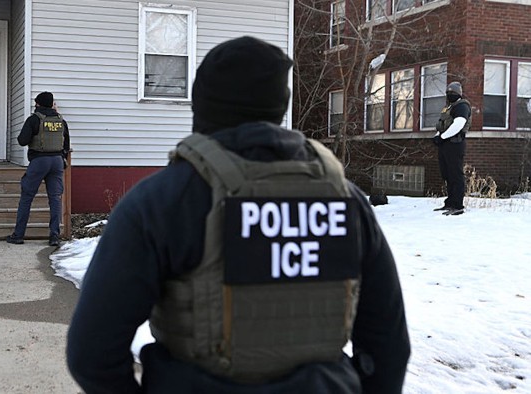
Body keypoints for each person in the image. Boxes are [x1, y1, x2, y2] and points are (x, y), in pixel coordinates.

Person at [66, 36, 410, 393]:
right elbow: (388, 345)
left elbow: (92, 354)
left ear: (202, 105)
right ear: (280, 105)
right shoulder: (345, 199)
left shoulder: (162, 201)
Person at [5, 92, 71, 247]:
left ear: (39, 104)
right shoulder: (61, 121)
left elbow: (22, 141)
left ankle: (18, 235)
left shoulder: (34, 119)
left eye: (36, 103)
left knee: (27, 197)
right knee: (55, 199)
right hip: (57, 162)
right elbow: (66, 144)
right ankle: (54, 236)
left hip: (39, 161)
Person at [433, 81, 471, 216]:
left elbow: (458, 124)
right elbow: (442, 124)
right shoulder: (448, 107)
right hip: (445, 144)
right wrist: (438, 136)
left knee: (455, 174)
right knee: (447, 174)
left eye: (453, 93)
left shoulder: (462, 106)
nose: (450, 95)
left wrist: (443, 137)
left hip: (455, 143)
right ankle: (450, 202)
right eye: (448, 93)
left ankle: (457, 205)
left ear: (458, 94)